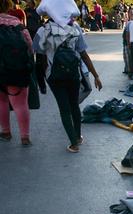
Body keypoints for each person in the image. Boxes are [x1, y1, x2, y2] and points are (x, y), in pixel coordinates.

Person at [33, 15, 102, 153]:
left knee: (64, 109)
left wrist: (41, 82)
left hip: (54, 75)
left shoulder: (43, 30)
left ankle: (73, 144)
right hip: (73, 72)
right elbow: (83, 54)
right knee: (74, 105)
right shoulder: (75, 27)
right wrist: (95, 76)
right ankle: (78, 137)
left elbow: (39, 57)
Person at [0, 0, 33, 146]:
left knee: (1, 101)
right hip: (17, 68)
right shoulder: (17, 22)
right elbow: (30, 46)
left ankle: (6, 132)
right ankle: (25, 137)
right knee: (20, 104)